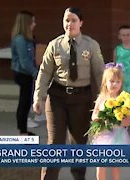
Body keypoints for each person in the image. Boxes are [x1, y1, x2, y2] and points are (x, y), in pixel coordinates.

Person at [33, 7, 105, 180]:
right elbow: (44, 73)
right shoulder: (55, 45)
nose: (69, 24)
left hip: (82, 98)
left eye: (73, 20)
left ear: (81, 23)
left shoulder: (91, 45)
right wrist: (38, 97)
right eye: (66, 20)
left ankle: (78, 177)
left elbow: (100, 74)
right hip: (57, 97)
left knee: (79, 144)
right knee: (55, 144)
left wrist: (104, 100)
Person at [91, 63, 130, 180]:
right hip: (103, 135)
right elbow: (94, 115)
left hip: (117, 136)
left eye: (118, 82)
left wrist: (116, 121)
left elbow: (128, 121)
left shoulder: (123, 100)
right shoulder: (101, 98)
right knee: (100, 165)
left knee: (115, 166)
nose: (115, 84)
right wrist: (100, 119)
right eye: (112, 81)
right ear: (105, 82)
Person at [11, 10, 38, 135]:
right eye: (32, 22)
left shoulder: (27, 38)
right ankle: (22, 132)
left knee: (26, 102)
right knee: (24, 102)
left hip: (26, 73)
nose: (34, 24)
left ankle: (23, 129)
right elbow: (24, 62)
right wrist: (36, 73)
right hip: (23, 74)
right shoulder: (20, 40)